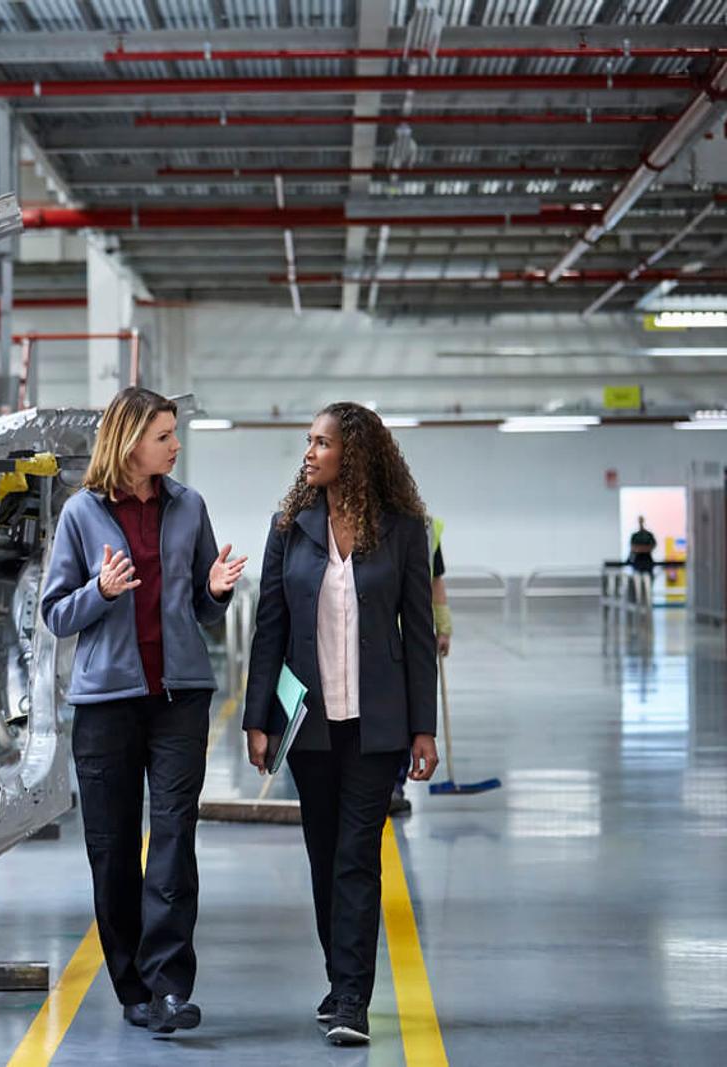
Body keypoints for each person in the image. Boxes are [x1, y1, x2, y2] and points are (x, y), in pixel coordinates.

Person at [40, 387, 247, 1035]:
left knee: (175, 838)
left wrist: (215, 591)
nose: (175, 445)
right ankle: (132, 986)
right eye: (164, 435)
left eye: (174, 433)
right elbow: (55, 613)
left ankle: (170, 986)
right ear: (130, 443)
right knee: (113, 848)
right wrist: (100, 592)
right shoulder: (81, 513)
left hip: (180, 697)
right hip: (107, 704)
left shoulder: (190, 507)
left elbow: (203, 609)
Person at [241, 402, 439, 1046]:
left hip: (377, 726)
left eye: (322, 443)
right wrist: (258, 720)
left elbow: (418, 634)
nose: (309, 453)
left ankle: (352, 996)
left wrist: (424, 728)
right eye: (309, 442)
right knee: (324, 857)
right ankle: (339, 980)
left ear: (354, 454)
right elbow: (270, 627)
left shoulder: (404, 530)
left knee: (357, 857)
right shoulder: (289, 528)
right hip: (310, 725)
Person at [389, 519, 451, 817]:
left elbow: (435, 581)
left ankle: (395, 784)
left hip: (413, 633)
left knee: (405, 711)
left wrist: (444, 626)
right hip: (381, 632)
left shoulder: (427, 527)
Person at [628, 517, 657, 609]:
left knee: (648, 584)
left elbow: (651, 546)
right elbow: (633, 548)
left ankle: (647, 603)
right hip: (638, 562)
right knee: (637, 584)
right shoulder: (635, 536)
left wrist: (640, 549)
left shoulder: (649, 535)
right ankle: (638, 603)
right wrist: (642, 549)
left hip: (647, 562)